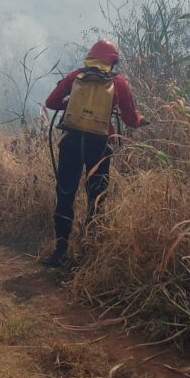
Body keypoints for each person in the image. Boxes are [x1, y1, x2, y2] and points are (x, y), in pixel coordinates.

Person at [41, 39, 146, 268]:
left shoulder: (74, 76)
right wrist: (140, 122)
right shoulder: (118, 82)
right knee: (96, 197)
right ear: (112, 60)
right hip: (99, 145)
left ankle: (60, 251)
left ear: (90, 56)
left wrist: (71, 104)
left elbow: (51, 102)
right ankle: (90, 252)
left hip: (71, 141)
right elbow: (130, 119)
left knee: (65, 194)